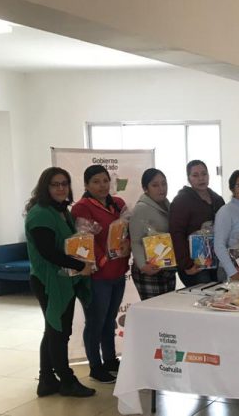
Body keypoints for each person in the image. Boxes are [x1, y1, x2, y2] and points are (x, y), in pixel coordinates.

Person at [25, 167, 95, 398]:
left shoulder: (62, 210)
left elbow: (68, 245)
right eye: (55, 184)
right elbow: (48, 252)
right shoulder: (40, 214)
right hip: (49, 281)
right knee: (59, 331)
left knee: (54, 329)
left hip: (62, 279)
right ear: (45, 187)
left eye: (64, 183)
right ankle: (67, 381)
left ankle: (46, 379)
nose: (61, 188)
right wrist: (80, 266)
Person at [71, 164, 130, 384]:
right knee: (96, 321)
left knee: (109, 320)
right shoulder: (82, 208)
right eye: (96, 182)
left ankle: (110, 360)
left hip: (118, 271)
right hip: (97, 275)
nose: (102, 185)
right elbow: (84, 240)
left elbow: (127, 231)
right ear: (86, 185)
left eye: (105, 180)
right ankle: (95, 366)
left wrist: (127, 244)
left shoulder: (119, 203)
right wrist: (103, 258)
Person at [169, 160, 225, 287]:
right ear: (189, 178)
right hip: (194, 264)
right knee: (204, 295)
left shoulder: (217, 199)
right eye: (195, 175)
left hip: (216, 261)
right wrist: (186, 264)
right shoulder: (181, 201)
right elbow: (176, 234)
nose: (201, 178)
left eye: (204, 174)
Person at [129, 168, 176, 300]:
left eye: (164, 183)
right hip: (149, 269)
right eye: (155, 185)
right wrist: (143, 266)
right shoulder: (141, 208)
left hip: (166, 267)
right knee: (154, 310)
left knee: (167, 308)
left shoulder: (168, 205)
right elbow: (135, 240)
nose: (161, 188)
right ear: (145, 188)